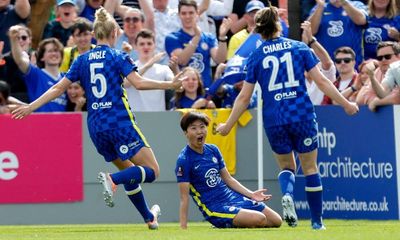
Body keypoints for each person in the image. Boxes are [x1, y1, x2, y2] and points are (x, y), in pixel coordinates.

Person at [11, 7, 184, 230]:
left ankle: (149, 218)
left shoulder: (81, 60)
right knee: (152, 172)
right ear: (114, 33)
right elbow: (139, 83)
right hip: (119, 121)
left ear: (94, 34)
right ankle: (112, 180)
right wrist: (170, 84)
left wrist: (31, 107)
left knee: (128, 171)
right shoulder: (117, 56)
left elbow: (57, 88)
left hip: (96, 126)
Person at [216, 5, 359, 230]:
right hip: (301, 113)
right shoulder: (299, 48)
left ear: (259, 29)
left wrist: (227, 125)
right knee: (310, 168)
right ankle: (316, 223)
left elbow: (244, 97)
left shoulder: (255, 56)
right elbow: (322, 81)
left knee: (286, 167)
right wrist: (346, 103)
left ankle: (288, 195)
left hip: (274, 118)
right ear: (278, 25)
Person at [175, 111, 282, 229]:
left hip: (232, 198)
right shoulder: (184, 159)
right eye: (194, 128)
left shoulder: (213, 150)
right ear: (186, 132)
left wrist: (251, 194)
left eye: (202, 127)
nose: (199, 131)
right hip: (214, 207)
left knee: (276, 221)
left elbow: (229, 179)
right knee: (260, 219)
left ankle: (230, 222)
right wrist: (183, 227)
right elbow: (184, 197)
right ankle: (224, 222)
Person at [165, 0, 232, 89]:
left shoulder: (208, 37)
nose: (187, 16)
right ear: (179, 15)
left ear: (197, 14)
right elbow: (182, 61)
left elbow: (219, 60)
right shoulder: (172, 38)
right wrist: (196, 37)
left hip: (205, 91)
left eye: (191, 13)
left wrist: (222, 37)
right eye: (184, 13)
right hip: (184, 92)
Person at [10, 27, 68, 112]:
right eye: (50, 51)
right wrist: (14, 40)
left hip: (64, 123)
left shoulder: (66, 77)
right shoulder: (35, 74)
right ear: (42, 57)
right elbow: (20, 60)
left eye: (56, 50)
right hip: (40, 123)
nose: (54, 54)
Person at [124, 29, 174, 111]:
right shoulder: (129, 67)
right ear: (136, 47)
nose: (146, 47)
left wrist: (175, 67)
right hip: (136, 118)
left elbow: (177, 85)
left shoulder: (164, 69)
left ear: (154, 45)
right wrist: (150, 64)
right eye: (142, 44)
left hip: (158, 118)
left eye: (149, 43)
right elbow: (126, 84)